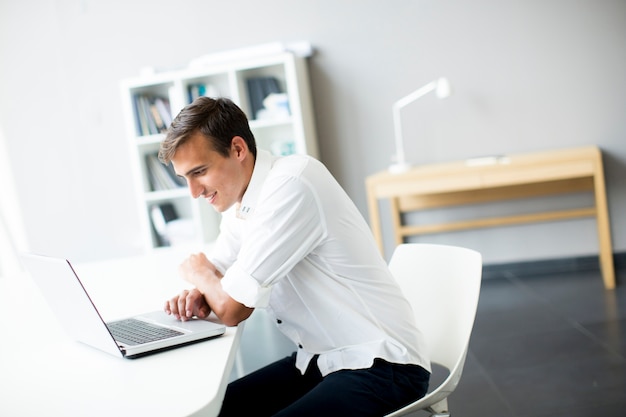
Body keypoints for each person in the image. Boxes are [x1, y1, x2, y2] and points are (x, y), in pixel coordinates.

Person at [160, 97, 430, 417]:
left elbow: (231, 308)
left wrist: (200, 276)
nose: (194, 192)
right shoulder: (240, 205)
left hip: (382, 364)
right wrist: (201, 288)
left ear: (237, 149)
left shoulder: (291, 184)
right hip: (320, 360)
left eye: (200, 172)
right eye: (185, 179)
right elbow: (218, 273)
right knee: (211, 414)